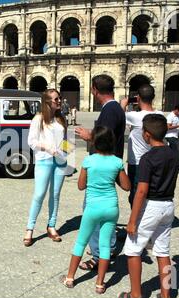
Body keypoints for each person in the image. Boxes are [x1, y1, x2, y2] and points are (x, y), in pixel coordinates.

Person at [60, 126, 130, 293]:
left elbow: (81, 185)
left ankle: (70, 278)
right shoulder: (117, 162)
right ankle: (99, 283)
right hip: (111, 208)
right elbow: (127, 186)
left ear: (94, 142)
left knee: (81, 242)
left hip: (93, 207)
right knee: (105, 245)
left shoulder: (89, 161)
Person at [118, 114, 179, 298]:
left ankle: (136, 294)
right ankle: (167, 294)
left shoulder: (147, 158)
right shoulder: (173, 154)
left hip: (151, 206)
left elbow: (141, 191)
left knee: (132, 249)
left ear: (146, 134)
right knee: (163, 251)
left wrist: (131, 220)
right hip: (168, 204)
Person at [75, 75, 126, 271]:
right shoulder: (115, 109)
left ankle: (98, 255)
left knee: (94, 212)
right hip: (110, 166)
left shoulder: (110, 110)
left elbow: (106, 140)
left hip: (101, 168)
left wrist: (90, 136)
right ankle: (109, 247)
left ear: (95, 89)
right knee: (105, 211)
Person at [23, 89, 67, 247]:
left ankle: (52, 226)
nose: (59, 101)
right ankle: (30, 228)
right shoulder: (39, 118)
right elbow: (31, 141)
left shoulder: (61, 118)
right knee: (39, 194)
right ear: (47, 102)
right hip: (44, 160)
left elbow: (65, 140)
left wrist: (67, 152)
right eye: (56, 99)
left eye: (59, 98)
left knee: (55, 195)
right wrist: (48, 148)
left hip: (60, 161)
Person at [120, 84, 164, 207]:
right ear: (153, 97)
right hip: (155, 160)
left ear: (138, 98)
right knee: (150, 191)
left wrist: (124, 103)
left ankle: (137, 221)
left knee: (135, 193)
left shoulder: (134, 116)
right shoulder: (160, 115)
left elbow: (119, 114)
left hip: (137, 162)